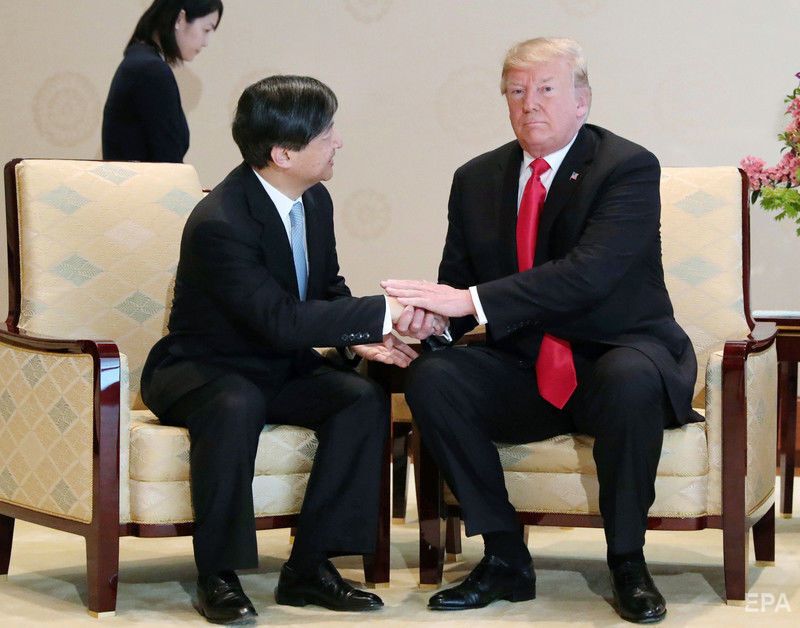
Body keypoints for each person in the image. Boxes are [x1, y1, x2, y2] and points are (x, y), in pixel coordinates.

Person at [382, 37, 699, 624]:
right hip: (526, 365)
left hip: (615, 352)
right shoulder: (475, 178)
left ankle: (627, 560)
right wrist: (426, 322)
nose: (530, 104)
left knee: (630, 377)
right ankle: (504, 555)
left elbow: (588, 275)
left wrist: (469, 300)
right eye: (516, 91)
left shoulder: (626, 167)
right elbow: (459, 286)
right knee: (434, 376)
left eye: (546, 89)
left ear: (582, 99)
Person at [141, 75, 436, 625]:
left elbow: (327, 291)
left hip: (275, 365)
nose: (338, 141)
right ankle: (218, 575)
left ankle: (309, 567)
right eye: (326, 133)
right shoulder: (222, 222)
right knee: (236, 403)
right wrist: (385, 311)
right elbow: (278, 319)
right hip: (203, 368)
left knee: (359, 400)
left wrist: (367, 339)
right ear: (283, 153)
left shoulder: (314, 200)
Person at [102, 0, 223, 162]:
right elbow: (168, 161)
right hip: (145, 179)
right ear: (180, 18)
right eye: (206, 29)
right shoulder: (151, 70)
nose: (206, 42)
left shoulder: (139, 61)